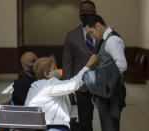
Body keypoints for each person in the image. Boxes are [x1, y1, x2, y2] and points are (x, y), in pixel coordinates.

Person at [25, 54, 100, 131]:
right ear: (47, 74)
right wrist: (88, 65)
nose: (58, 71)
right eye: (54, 68)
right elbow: (74, 84)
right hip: (52, 127)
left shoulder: (35, 86)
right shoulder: (48, 85)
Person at [83, 14, 127, 131]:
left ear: (98, 25)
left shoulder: (112, 40)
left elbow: (122, 65)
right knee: (107, 126)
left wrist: (102, 85)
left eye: (91, 32)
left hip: (111, 94)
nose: (91, 36)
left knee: (110, 127)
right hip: (106, 92)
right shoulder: (106, 39)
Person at [62, 1, 97, 130]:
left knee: (107, 121)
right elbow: (67, 63)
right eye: (82, 12)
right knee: (86, 121)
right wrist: (67, 88)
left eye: (88, 11)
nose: (85, 14)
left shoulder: (103, 33)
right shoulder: (71, 35)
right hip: (82, 86)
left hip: (102, 84)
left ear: (95, 13)